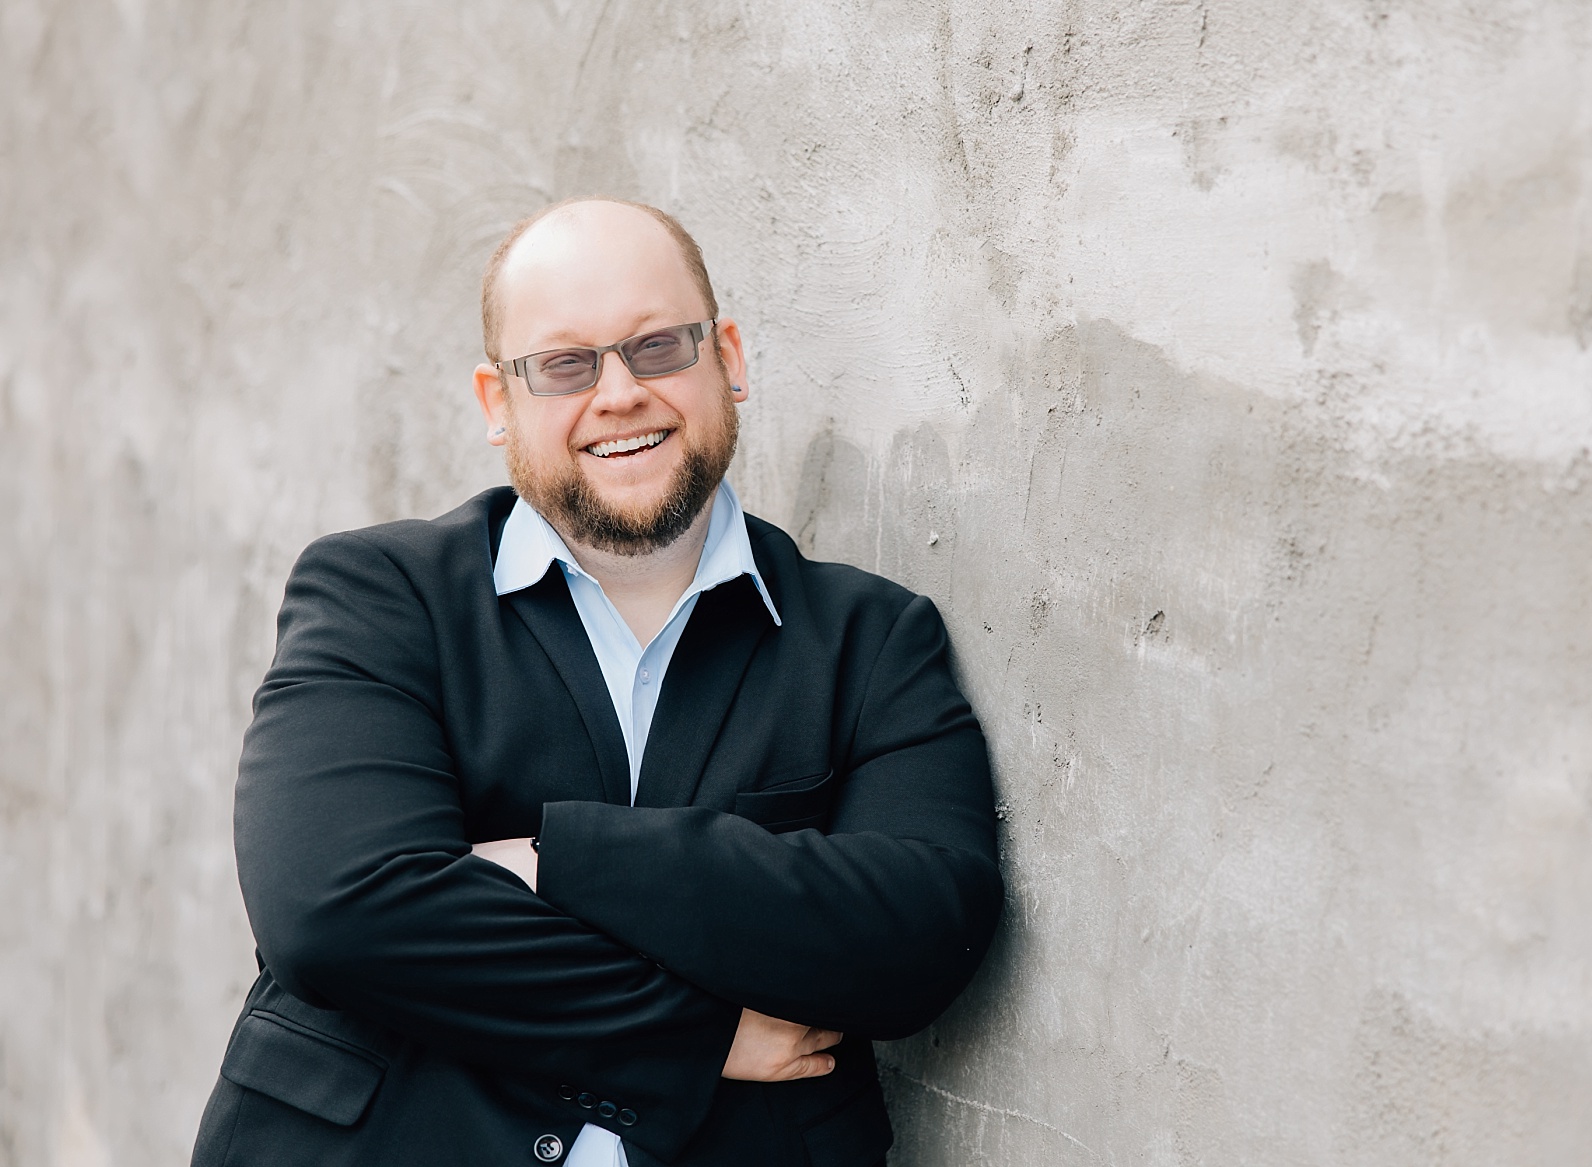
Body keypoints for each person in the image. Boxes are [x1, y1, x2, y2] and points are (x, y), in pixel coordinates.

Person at [191, 197, 1003, 1167]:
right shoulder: (380, 596)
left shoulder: (870, 640)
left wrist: (553, 857)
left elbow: (920, 934)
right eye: (564, 365)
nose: (618, 392)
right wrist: (697, 1036)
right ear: (499, 405)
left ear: (728, 360)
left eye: (656, 347)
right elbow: (334, 912)